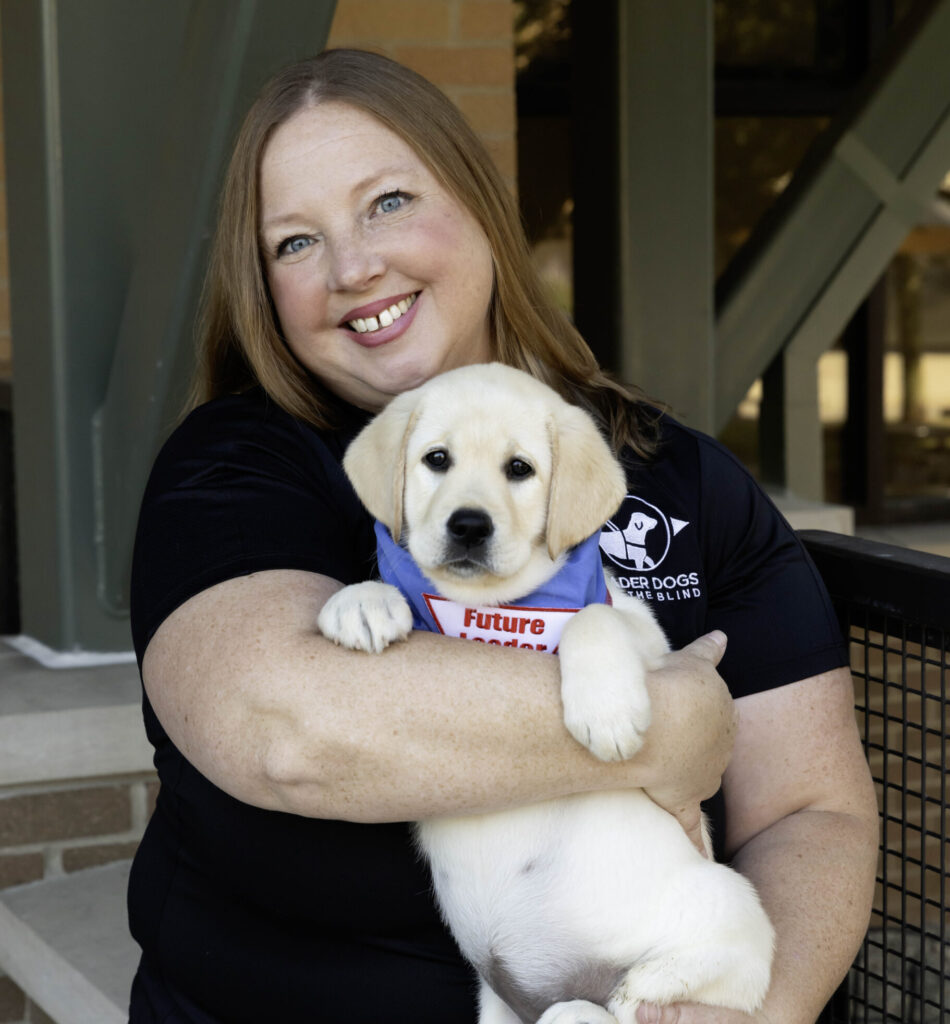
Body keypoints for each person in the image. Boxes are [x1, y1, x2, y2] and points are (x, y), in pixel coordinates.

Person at [127, 48, 879, 1024]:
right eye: (294, 243)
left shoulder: (671, 476)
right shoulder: (239, 466)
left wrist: (747, 1011)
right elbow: (287, 730)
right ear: (265, 289)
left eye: (387, 201)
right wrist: (666, 724)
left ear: (479, 203)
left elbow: (806, 809)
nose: (354, 265)